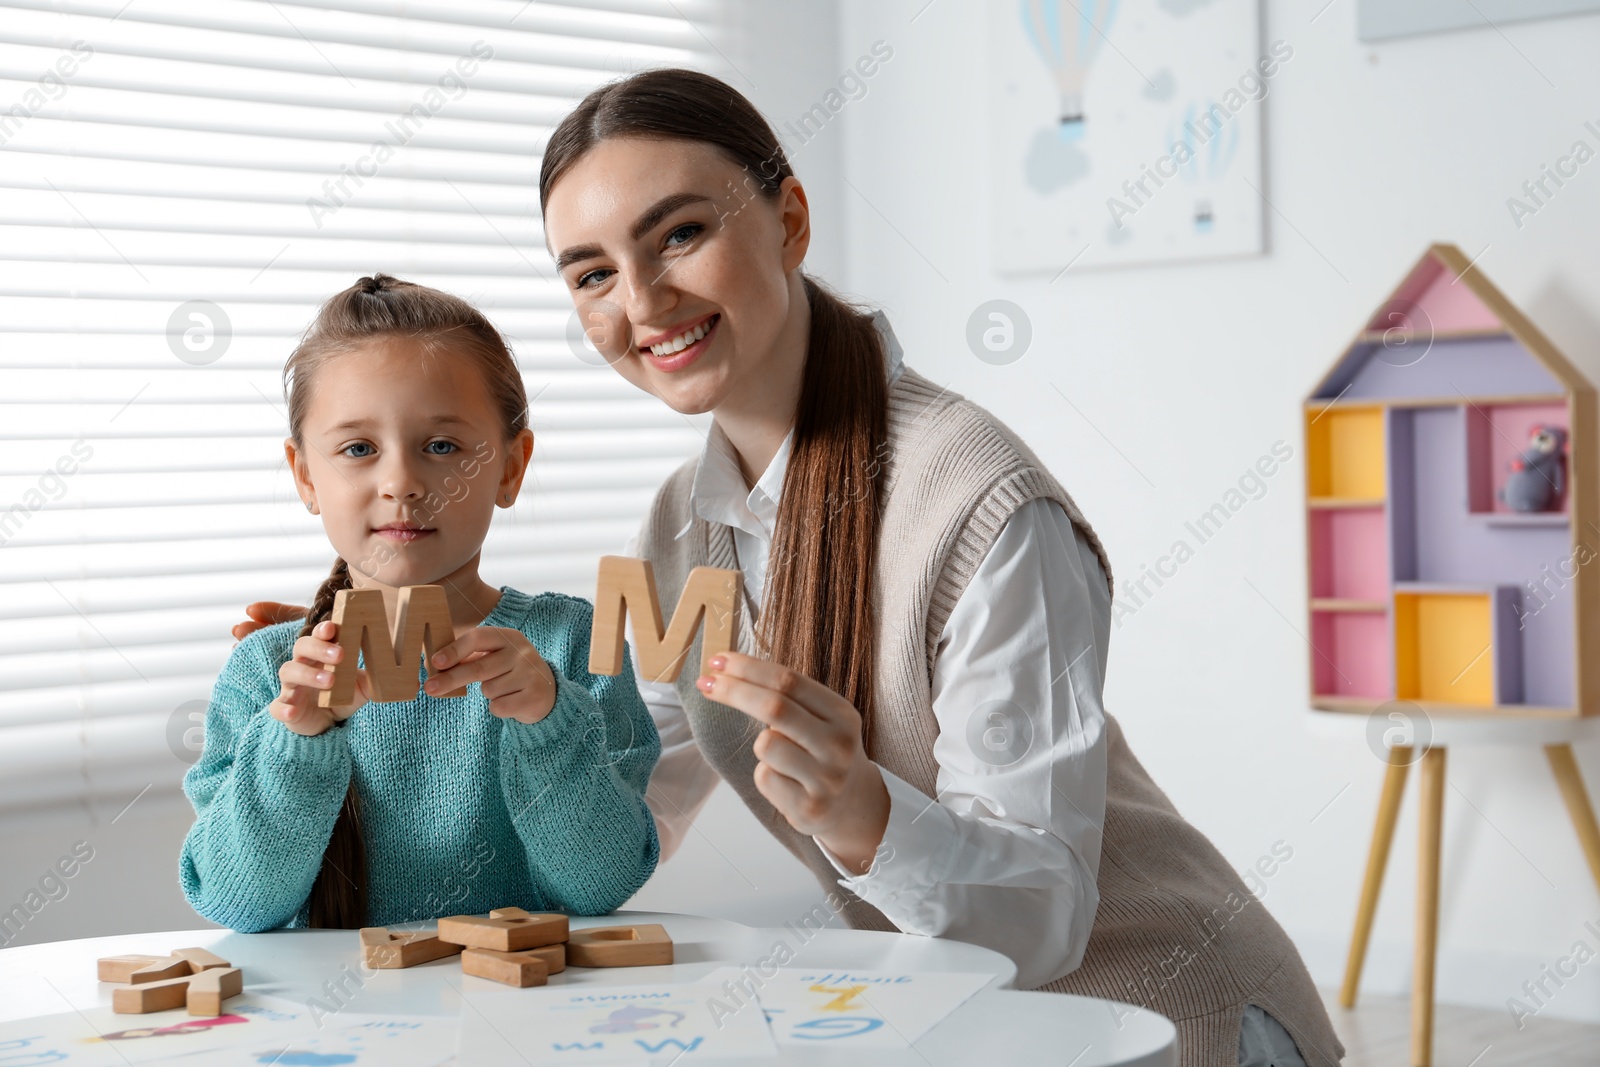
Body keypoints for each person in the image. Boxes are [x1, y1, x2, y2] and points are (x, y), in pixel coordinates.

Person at [235, 71, 1344, 1066]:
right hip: (978, 1025)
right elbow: (630, 794)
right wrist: (399, 667)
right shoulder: (681, 523)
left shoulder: (980, 499)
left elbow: (1043, 915)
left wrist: (866, 809)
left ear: (790, 218)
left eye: (677, 235)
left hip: (1162, 1021)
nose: (642, 301)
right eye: (591, 273)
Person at [185, 274, 660, 932]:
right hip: (339, 1029)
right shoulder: (269, 671)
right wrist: (296, 739)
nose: (401, 482)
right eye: (358, 448)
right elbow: (239, 904)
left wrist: (548, 720)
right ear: (305, 475)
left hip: (529, 1016)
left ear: (510, 468)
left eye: (442, 446)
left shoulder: (572, 646)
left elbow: (597, 886)